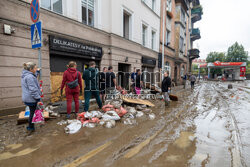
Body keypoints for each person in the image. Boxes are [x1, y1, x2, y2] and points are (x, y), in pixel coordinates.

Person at [21, 62, 41, 131]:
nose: (36, 69)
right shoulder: (30, 77)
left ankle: (31, 126)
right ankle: (30, 127)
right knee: (32, 113)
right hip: (31, 98)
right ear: (31, 69)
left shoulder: (26, 74)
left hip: (27, 98)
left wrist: (37, 71)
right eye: (35, 68)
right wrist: (38, 98)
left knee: (32, 112)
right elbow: (33, 90)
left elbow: (33, 76)